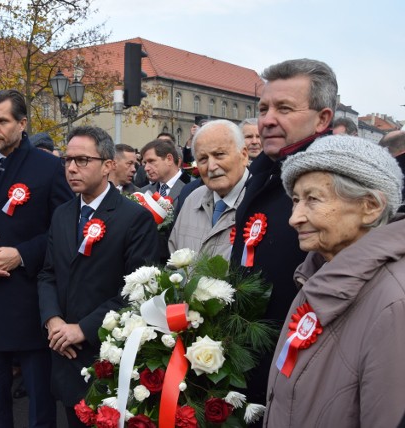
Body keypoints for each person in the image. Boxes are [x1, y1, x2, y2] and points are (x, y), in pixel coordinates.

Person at [263, 135, 405, 427]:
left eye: (312, 199)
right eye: (295, 200)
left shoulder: (395, 304)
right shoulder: (316, 274)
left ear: (370, 206)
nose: (294, 218)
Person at [0, 89, 72, 428]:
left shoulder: (50, 168)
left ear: (22, 123)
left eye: (1, 121)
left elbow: (61, 229)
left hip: (33, 299)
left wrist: (21, 255)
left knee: (39, 402)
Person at [230, 58, 336, 407]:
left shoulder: (335, 186)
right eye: (263, 108)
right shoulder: (265, 172)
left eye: (284, 108)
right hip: (247, 365)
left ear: (322, 119)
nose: (267, 119)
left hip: (300, 370)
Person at [38, 126, 159, 427]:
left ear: (107, 166)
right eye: (67, 160)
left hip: (108, 357)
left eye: (82, 160)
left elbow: (138, 291)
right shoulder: (62, 213)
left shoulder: (135, 219)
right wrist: (53, 321)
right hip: (64, 351)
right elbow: (48, 273)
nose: (71, 168)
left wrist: (83, 329)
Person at [169, 120, 249, 259]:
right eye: (203, 159)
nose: (211, 166)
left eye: (219, 154)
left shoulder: (264, 202)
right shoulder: (192, 200)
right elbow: (174, 262)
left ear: (244, 155)